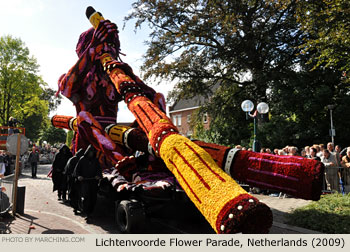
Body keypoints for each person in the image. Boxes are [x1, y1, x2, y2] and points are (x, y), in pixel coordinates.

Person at [74, 145, 102, 222]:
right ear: (87, 152)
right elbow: (77, 170)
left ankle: (91, 212)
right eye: (90, 152)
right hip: (85, 182)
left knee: (93, 198)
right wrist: (79, 176)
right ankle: (87, 214)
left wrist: (98, 176)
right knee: (86, 198)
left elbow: (99, 170)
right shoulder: (82, 159)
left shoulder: (95, 160)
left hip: (93, 182)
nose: (91, 154)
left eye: (92, 152)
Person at [64, 148, 84, 212]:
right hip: (72, 179)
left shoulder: (80, 160)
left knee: (78, 194)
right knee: (73, 193)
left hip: (77, 180)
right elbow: (68, 170)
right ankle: (75, 207)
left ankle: (77, 206)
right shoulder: (73, 160)